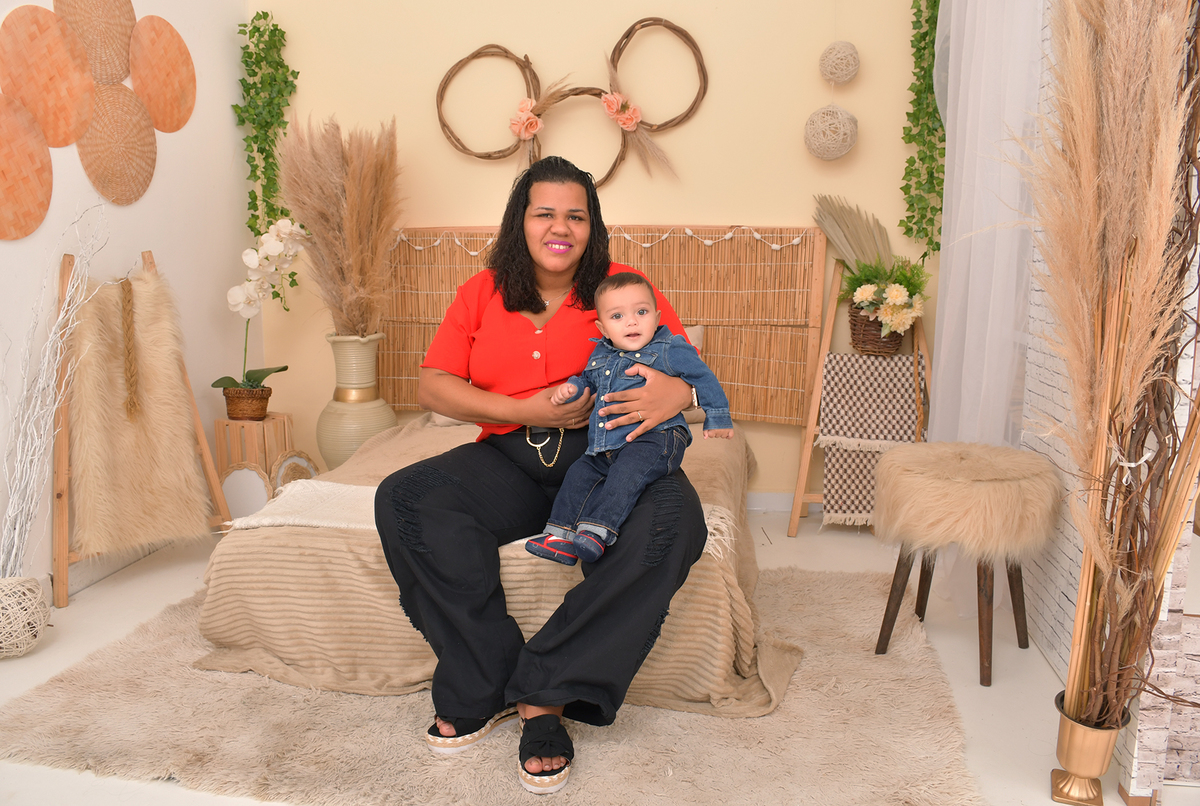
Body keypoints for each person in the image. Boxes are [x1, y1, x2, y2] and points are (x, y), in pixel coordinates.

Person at [374, 156, 708, 796]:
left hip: (612, 462)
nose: (561, 228)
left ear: (592, 226)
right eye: (545, 213)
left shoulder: (622, 288)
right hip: (510, 462)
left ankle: (546, 690)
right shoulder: (481, 292)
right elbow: (434, 385)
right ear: (520, 221)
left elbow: (688, 373)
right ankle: (485, 679)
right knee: (406, 498)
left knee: (675, 520)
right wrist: (524, 410)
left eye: (576, 216)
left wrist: (677, 395)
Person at [525, 272, 732, 566]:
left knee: (626, 474)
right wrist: (572, 389)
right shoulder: (600, 354)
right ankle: (560, 535)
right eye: (618, 316)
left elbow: (703, 377)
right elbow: (588, 381)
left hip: (656, 438)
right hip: (605, 444)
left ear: (657, 317)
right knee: (579, 474)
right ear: (603, 327)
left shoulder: (670, 348)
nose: (631, 322)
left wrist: (718, 416)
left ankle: (598, 529)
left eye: (641, 312)